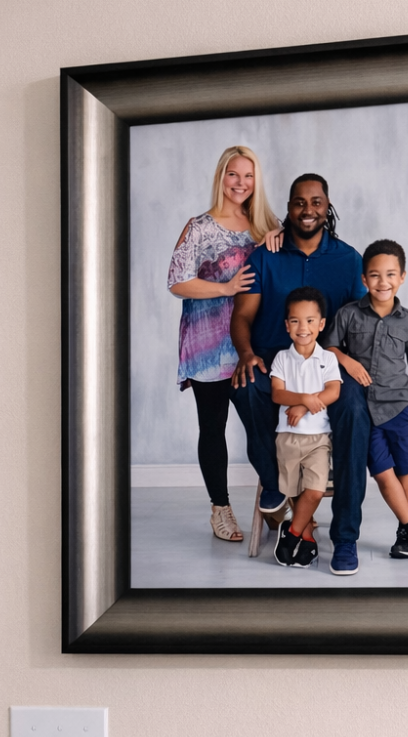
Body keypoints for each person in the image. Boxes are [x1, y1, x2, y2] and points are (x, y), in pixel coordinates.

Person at [230, 173, 369, 575]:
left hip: (328, 365)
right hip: (274, 362)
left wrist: (350, 362)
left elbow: (361, 322)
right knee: (245, 387)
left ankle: (345, 538)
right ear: (289, 208)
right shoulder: (265, 255)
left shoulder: (348, 259)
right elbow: (242, 315)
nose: (308, 210)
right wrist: (246, 354)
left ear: (328, 207)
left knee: (355, 410)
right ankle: (274, 482)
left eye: (316, 202)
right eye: (299, 202)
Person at [167, 146, 280, 543]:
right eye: (234, 174)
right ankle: (221, 509)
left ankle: (275, 502)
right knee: (213, 428)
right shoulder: (199, 227)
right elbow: (177, 282)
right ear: (221, 177)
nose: (240, 183)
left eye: (248, 176)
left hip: (251, 346)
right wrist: (226, 287)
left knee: (264, 428)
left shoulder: (266, 226)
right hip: (208, 348)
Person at [322, 239, 408, 561]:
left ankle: (406, 537)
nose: (382, 282)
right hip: (367, 413)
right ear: (364, 279)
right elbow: (329, 348)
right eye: (374, 275)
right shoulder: (349, 314)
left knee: (405, 470)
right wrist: (347, 361)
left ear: (402, 277)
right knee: (382, 473)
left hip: (399, 410)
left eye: (390, 274)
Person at [269, 287, 343, 568]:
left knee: (314, 491)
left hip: (318, 438)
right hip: (288, 437)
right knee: (295, 492)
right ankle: (308, 535)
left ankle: (291, 534)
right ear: (287, 325)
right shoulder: (282, 358)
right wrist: (303, 399)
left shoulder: (328, 359)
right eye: (296, 321)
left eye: (310, 320)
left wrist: (303, 406)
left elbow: (333, 391)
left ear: (321, 324)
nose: (303, 328)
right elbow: (278, 394)